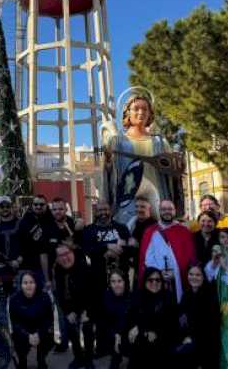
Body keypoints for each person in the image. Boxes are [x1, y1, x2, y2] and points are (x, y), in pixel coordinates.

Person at [102, 93, 181, 226]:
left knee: (160, 228)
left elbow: (172, 171)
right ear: (127, 113)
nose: (141, 112)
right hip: (127, 194)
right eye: (136, 109)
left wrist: (176, 164)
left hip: (157, 193)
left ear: (150, 113)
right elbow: (109, 169)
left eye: (145, 109)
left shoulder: (159, 141)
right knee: (126, 228)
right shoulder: (118, 141)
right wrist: (108, 159)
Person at [138, 199, 197, 302]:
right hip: (156, 281)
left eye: (170, 209)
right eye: (163, 209)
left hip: (178, 281)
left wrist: (176, 273)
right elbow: (146, 259)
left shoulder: (183, 231)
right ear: (159, 211)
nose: (167, 212)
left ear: (174, 211)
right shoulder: (150, 232)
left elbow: (189, 257)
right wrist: (159, 273)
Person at [126, 268, 178, 369]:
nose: (154, 283)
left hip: (164, 336)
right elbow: (131, 316)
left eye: (158, 280)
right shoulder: (138, 296)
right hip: (145, 335)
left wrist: (154, 331)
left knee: (161, 338)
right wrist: (135, 327)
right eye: (150, 280)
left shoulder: (167, 297)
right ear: (144, 281)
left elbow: (170, 322)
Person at [53, 242, 95, 369]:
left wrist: (86, 312)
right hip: (70, 304)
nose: (64, 258)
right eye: (60, 256)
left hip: (87, 302)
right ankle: (78, 357)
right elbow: (59, 294)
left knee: (87, 326)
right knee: (69, 325)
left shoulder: (84, 266)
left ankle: (89, 358)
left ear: (72, 252)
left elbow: (92, 292)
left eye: (66, 254)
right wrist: (67, 311)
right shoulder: (58, 269)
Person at [205, 228, 228, 369]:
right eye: (222, 237)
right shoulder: (219, 256)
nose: (225, 240)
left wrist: (225, 266)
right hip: (219, 299)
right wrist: (214, 262)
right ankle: (222, 363)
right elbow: (209, 275)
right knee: (221, 330)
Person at [177, 264, 220, 369]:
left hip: (206, 341)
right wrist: (185, 335)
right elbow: (181, 318)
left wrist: (192, 337)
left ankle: (206, 367)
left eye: (198, 275)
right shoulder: (186, 294)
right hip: (189, 337)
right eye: (191, 274)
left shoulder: (210, 294)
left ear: (203, 277)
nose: (194, 277)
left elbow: (211, 325)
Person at [8, 271, 54, 369]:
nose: (28, 285)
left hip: (40, 330)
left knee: (50, 335)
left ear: (36, 283)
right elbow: (14, 323)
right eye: (25, 283)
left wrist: (38, 334)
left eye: (31, 282)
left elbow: (48, 320)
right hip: (23, 331)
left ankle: (41, 358)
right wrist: (28, 335)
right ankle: (22, 360)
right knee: (16, 337)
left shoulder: (45, 297)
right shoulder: (14, 299)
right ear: (21, 285)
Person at [82, 201, 131, 284]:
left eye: (106, 209)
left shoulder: (122, 228)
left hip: (121, 277)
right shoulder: (89, 230)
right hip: (99, 279)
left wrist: (123, 248)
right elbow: (87, 250)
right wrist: (107, 246)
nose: (103, 213)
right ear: (95, 212)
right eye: (100, 210)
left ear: (110, 211)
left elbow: (131, 249)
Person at [17, 194, 53, 288]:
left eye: (41, 204)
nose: (38, 206)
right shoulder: (25, 220)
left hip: (47, 268)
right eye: (36, 204)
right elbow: (19, 241)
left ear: (46, 205)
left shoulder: (51, 219)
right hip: (27, 266)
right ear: (32, 205)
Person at [100, 270, 132, 369]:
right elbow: (106, 320)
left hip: (128, 332)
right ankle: (115, 356)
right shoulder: (106, 296)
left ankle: (130, 354)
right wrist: (115, 334)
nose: (116, 284)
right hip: (113, 332)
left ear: (125, 282)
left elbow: (128, 320)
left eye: (119, 281)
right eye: (113, 281)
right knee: (105, 330)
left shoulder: (132, 296)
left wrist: (119, 334)